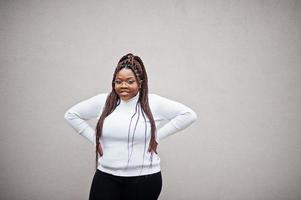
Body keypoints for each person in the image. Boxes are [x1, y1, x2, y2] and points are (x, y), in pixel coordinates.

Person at [64, 53, 198, 200]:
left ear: (140, 82)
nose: (123, 86)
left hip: (144, 179)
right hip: (106, 176)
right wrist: (96, 141)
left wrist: (156, 137)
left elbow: (189, 115)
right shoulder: (103, 101)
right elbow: (71, 115)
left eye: (129, 81)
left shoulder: (153, 103)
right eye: (118, 81)